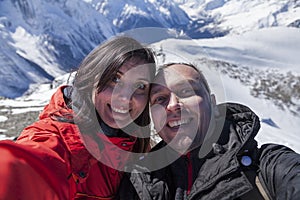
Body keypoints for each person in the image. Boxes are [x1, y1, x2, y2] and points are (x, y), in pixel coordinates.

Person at [0, 36, 156, 199]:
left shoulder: (136, 147)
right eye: (115, 79)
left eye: (140, 86)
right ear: (91, 78)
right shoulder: (59, 140)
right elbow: (25, 167)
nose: (125, 97)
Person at [121, 63, 300, 200]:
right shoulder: (138, 184)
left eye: (186, 91)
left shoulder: (267, 166)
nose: (173, 105)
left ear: (213, 105)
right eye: (160, 98)